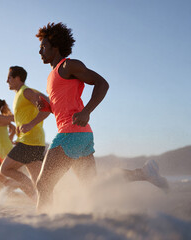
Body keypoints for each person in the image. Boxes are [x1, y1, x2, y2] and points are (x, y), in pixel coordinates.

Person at [27, 22, 169, 211]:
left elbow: (102, 83)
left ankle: (41, 229)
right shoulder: (52, 76)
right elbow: (64, 106)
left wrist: (87, 111)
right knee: (93, 185)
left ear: (56, 47)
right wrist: (48, 106)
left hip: (71, 134)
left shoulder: (69, 65)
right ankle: (143, 173)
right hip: (81, 135)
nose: (40, 51)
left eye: (43, 47)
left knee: (43, 184)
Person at [0, 66, 50, 201]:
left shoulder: (26, 92)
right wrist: (19, 132)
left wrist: (31, 124)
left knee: (4, 169)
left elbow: (47, 107)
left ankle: (32, 193)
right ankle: (46, 204)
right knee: (39, 182)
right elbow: (24, 117)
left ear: (17, 78)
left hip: (30, 141)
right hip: (31, 141)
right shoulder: (19, 95)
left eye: (9, 77)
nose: (7, 81)